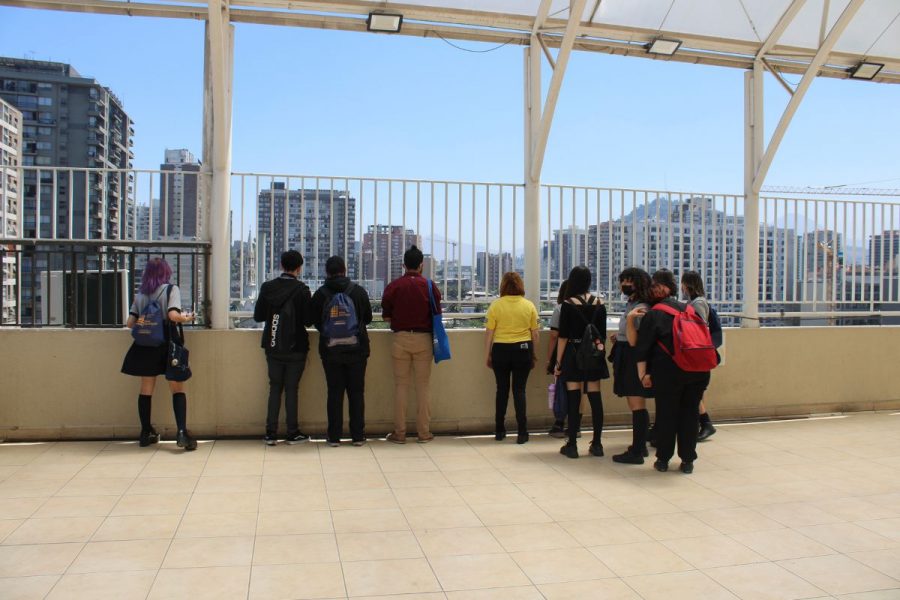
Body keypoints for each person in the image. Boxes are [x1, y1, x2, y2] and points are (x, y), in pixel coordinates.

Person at [635, 269, 711, 474]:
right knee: (690, 415)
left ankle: (663, 459)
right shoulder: (689, 309)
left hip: (669, 373)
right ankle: (687, 461)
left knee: (667, 416)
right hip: (698, 370)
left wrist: (643, 375)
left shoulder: (654, 314)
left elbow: (643, 348)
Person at [121, 258, 197, 451]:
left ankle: (146, 432)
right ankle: (181, 432)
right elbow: (173, 315)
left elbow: (130, 323)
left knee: (146, 389)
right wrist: (187, 317)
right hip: (168, 344)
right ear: (166, 272)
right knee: (177, 388)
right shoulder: (172, 290)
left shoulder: (141, 294)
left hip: (145, 345)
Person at [381, 245, 442, 444]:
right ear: (422, 265)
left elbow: (387, 316)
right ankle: (424, 433)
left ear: (403, 265)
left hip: (400, 339)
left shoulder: (394, 286)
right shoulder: (430, 286)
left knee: (401, 387)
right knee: (423, 388)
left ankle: (400, 433)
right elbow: (437, 314)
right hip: (424, 340)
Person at [311, 256, 373, 447]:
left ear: (327, 272)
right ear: (345, 270)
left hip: (331, 351)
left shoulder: (320, 294)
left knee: (334, 392)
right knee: (356, 392)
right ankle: (358, 436)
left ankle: (334, 436)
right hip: (357, 349)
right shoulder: (358, 291)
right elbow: (368, 318)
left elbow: (314, 320)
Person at [253, 250, 312, 446]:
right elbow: (308, 320)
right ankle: (292, 432)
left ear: (281, 266)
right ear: (299, 268)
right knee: (292, 389)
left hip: (273, 345)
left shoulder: (267, 287)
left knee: (275, 388)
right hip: (296, 347)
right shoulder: (302, 290)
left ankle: (270, 433)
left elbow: (259, 316)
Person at [554, 266, 609, 459]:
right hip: (594, 355)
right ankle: (597, 443)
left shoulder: (568, 304)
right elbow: (601, 335)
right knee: (595, 398)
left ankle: (572, 444)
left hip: (573, 354)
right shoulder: (599, 303)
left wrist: (558, 362)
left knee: (573, 397)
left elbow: (563, 336)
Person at [484, 272, 539, 444]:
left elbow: (489, 333)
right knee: (519, 390)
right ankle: (522, 432)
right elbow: (535, 334)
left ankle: (499, 430)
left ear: (503, 286)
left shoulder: (495, 305)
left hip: (500, 349)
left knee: (501, 389)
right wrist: (533, 354)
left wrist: (488, 354)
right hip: (523, 349)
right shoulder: (529, 305)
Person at [610, 267, 654, 465]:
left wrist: (626, 328)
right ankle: (640, 446)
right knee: (634, 402)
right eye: (622, 281)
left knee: (636, 403)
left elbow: (636, 339)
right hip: (624, 352)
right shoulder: (632, 304)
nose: (624, 285)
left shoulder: (641, 308)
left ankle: (638, 449)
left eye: (629, 281)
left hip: (631, 356)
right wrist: (618, 336)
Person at [681, 270, 717, 442]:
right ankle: (701, 423)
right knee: (694, 392)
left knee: (694, 392)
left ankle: (706, 423)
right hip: (696, 351)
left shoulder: (698, 303)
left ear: (687, 284)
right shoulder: (693, 301)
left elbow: (699, 327)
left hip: (697, 351)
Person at [546, 280, 569, 438]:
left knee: (562, 389)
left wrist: (550, 359)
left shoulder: (561, 309)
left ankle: (559, 423)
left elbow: (554, 336)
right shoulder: (592, 305)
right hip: (586, 355)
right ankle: (576, 425)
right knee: (579, 391)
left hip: (565, 355)